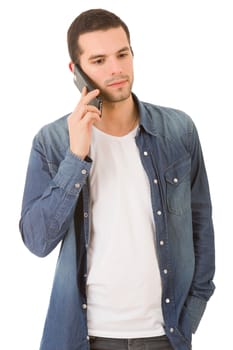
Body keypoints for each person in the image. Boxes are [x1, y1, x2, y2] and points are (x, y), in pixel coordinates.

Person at [19, 8, 215, 350]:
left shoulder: (178, 131)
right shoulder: (52, 142)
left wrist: (191, 317)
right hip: (83, 336)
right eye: (98, 60)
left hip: (165, 336)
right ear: (76, 71)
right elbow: (37, 241)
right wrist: (75, 157)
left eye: (122, 54)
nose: (116, 69)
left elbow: (202, 226)